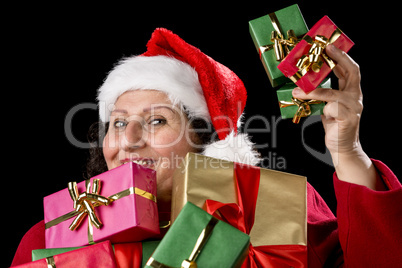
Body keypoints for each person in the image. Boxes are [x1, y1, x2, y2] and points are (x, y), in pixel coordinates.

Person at [11, 28, 401, 267]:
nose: (128, 141)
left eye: (157, 121)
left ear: (205, 138)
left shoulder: (281, 208)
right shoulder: (48, 239)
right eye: (117, 123)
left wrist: (347, 153)